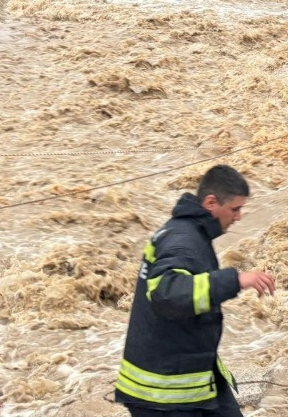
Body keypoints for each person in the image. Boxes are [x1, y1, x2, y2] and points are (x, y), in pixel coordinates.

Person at [115, 165, 275, 417]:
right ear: (211, 202)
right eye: (235, 209)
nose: (239, 217)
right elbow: (168, 294)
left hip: (192, 372)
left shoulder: (190, 233)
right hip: (163, 393)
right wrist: (235, 280)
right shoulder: (183, 242)